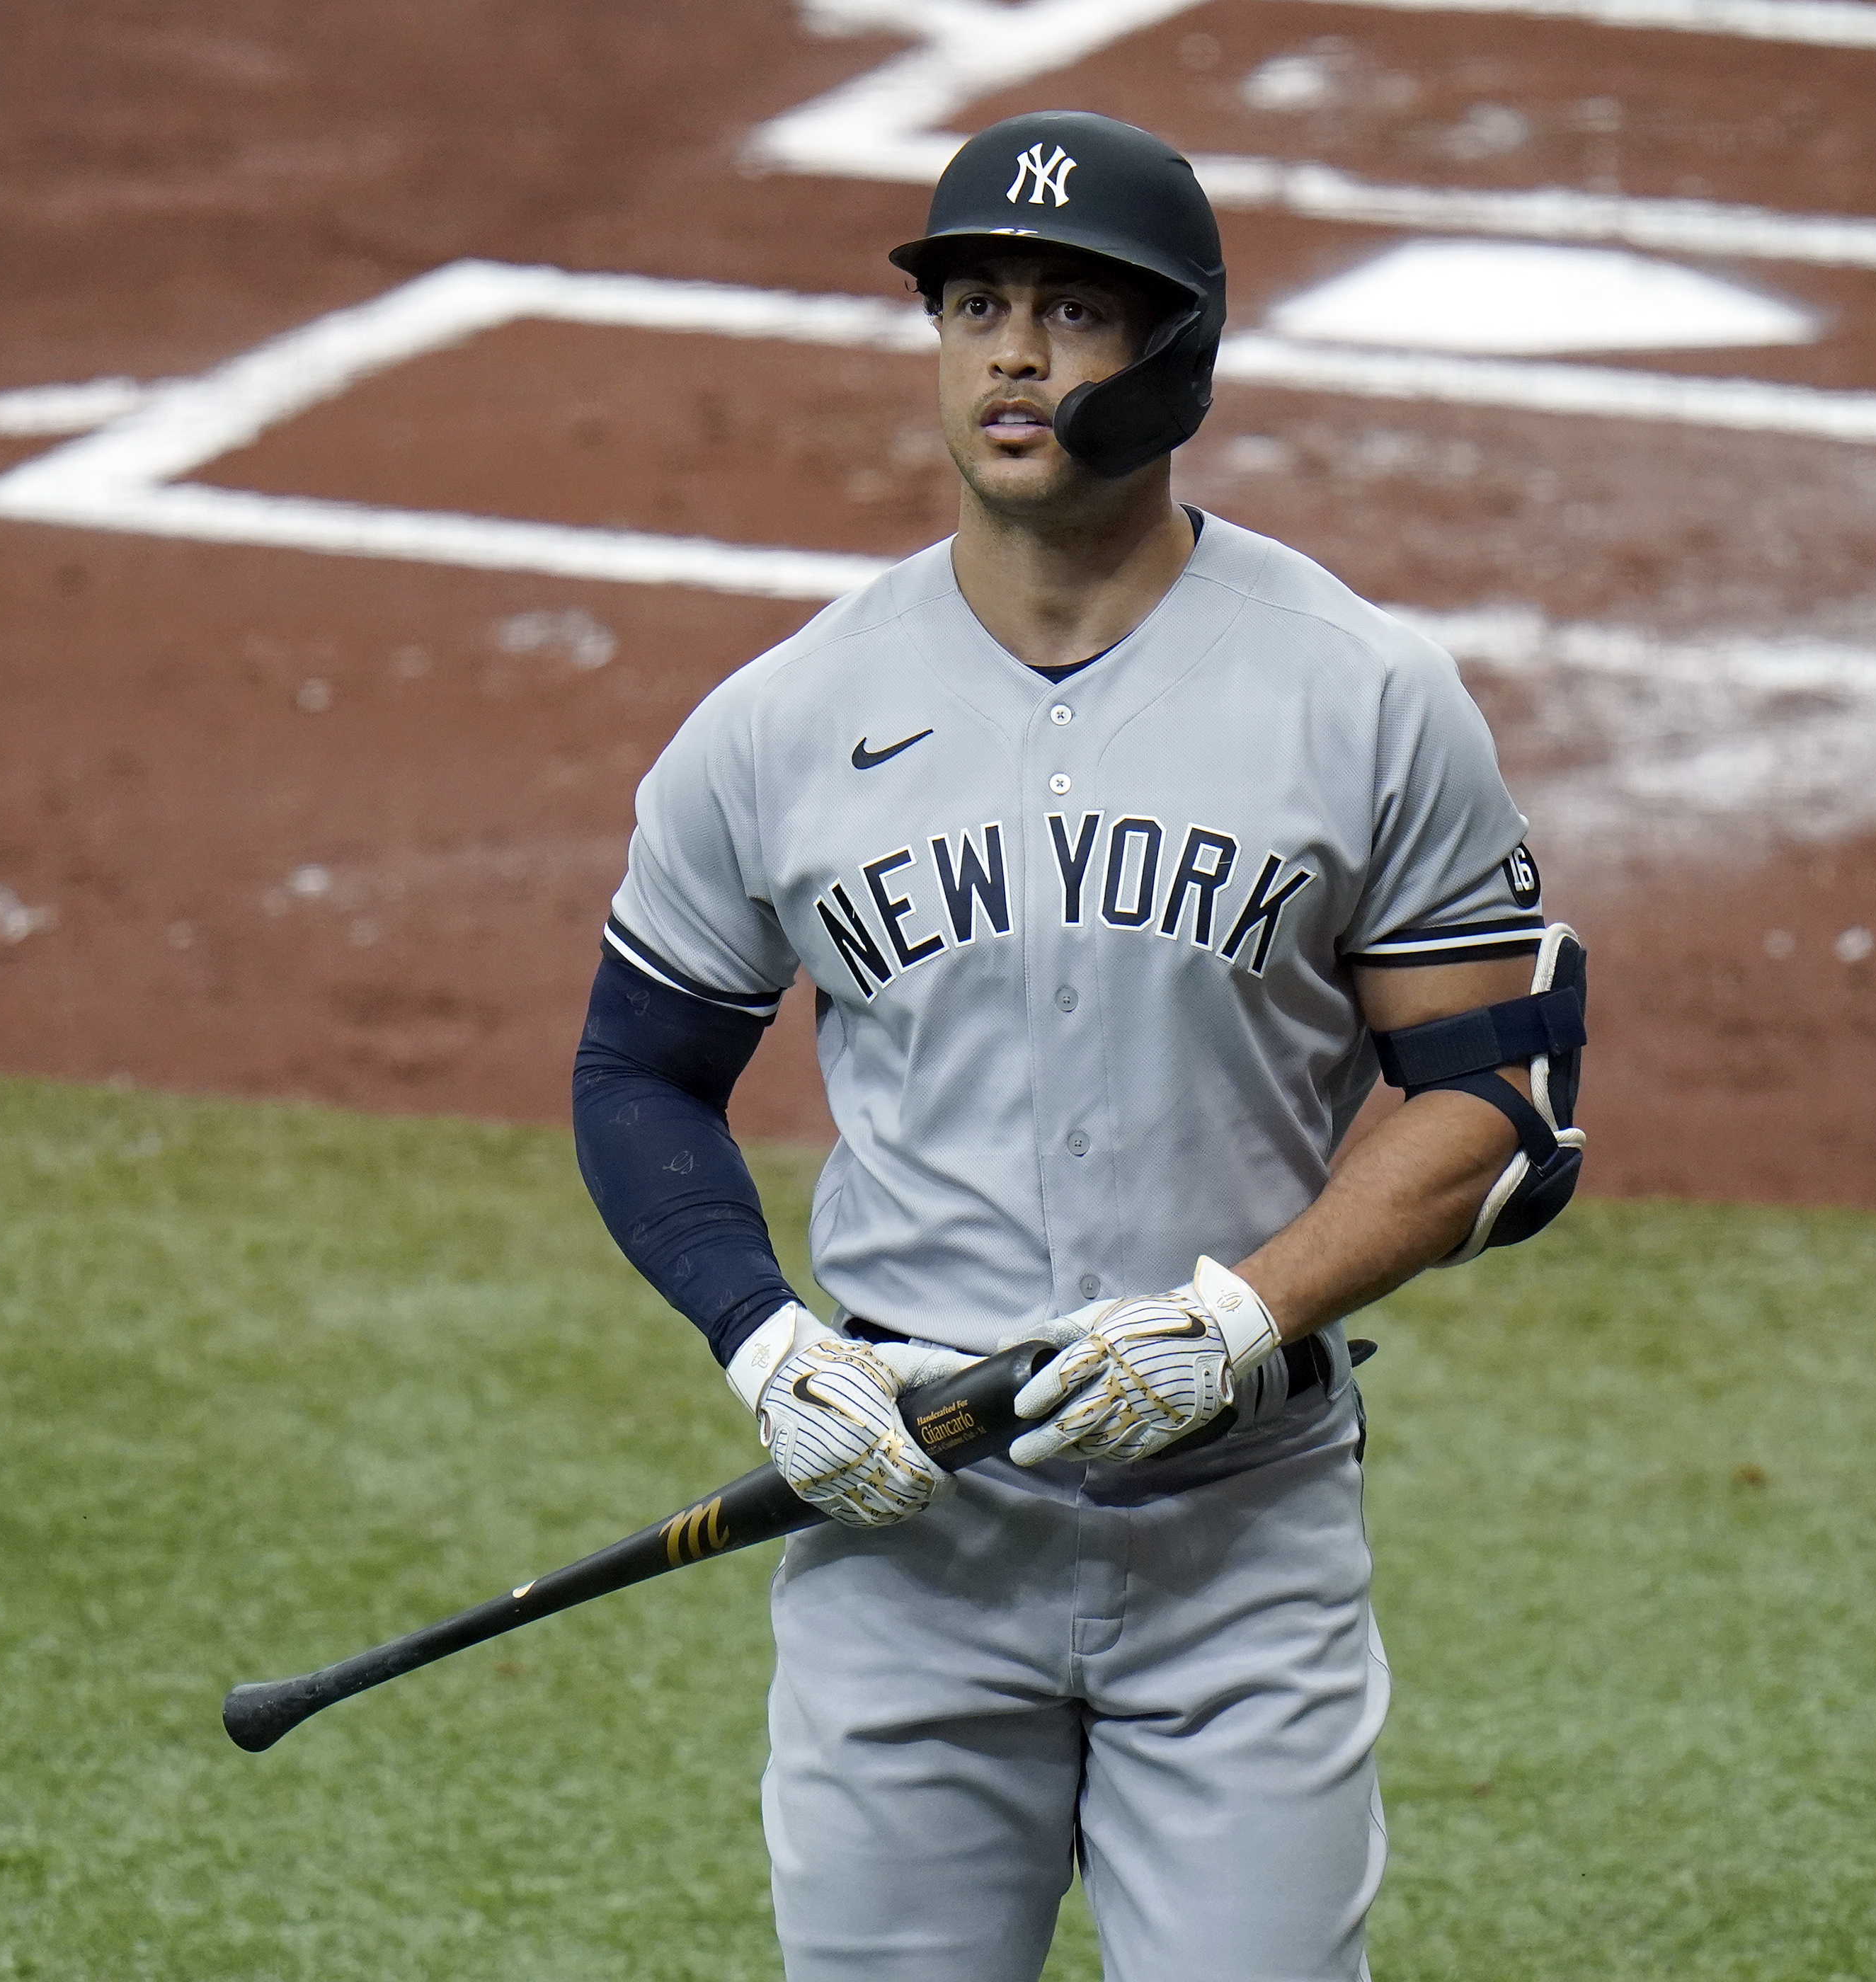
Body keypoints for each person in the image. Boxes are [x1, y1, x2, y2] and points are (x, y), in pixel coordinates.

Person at [571, 108, 1586, 1982]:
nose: (1013, 356)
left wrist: (1234, 1319)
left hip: (1239, 1544)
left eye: (1068, 311)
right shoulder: (782, 721)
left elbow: (1489, 1098)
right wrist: (767, 1338)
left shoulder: (1362, 695)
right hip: (911, 1545)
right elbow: (641, 1071)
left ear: (1179, 357)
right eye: (973, 306)